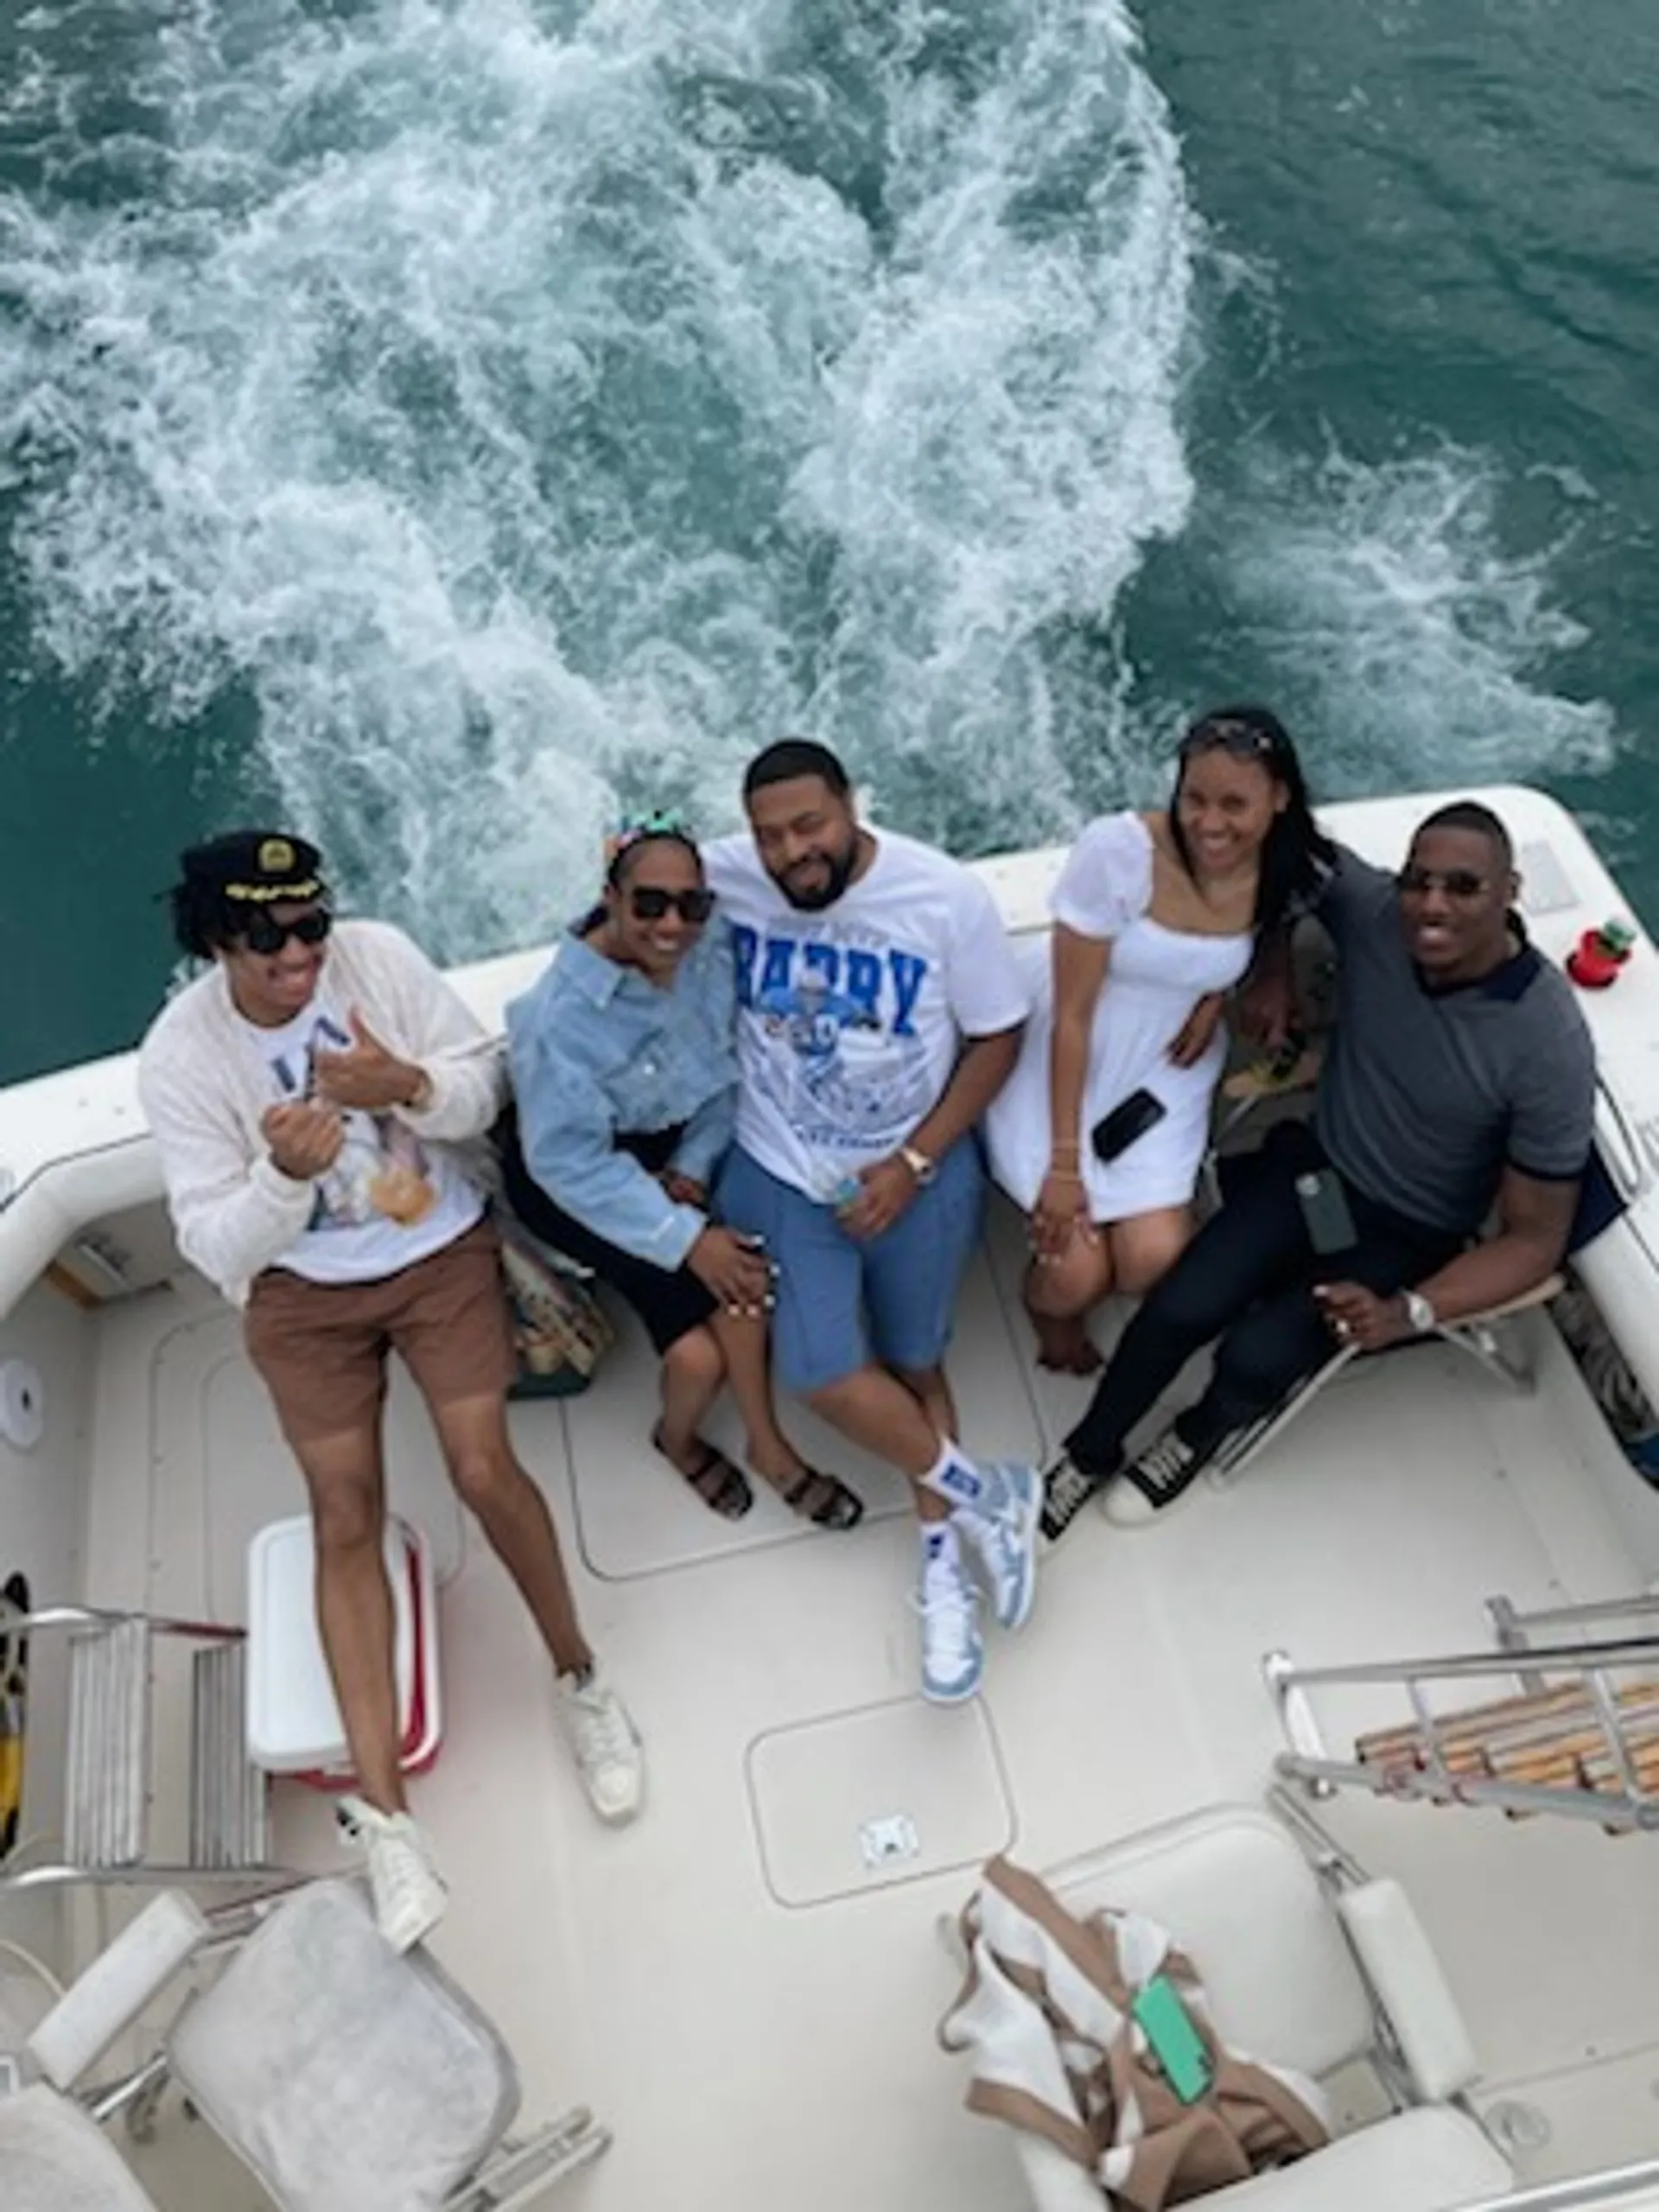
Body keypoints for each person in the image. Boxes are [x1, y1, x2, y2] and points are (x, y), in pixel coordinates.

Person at [137, 832, 644, 1954]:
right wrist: (285, 1179)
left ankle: (581, 1677)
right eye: (272, 937)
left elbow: (480, 1084)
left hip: (439, 1257)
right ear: (219, 941)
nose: (303, 954)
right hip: (299, 1295)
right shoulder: (179, 1057)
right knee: (342, 1513)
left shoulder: (377, 960)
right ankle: (388, 1819)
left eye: (313, 925)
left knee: (481, 1469)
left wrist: (403, 1085)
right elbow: (212, 1240)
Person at [1041, 798, 1598, 1536]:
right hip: (1321, 1176)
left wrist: (1411, 1312)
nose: (1431, 905)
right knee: (1177, 1307)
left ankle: (1199, 1433)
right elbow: (1276, 841)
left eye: (1463, 887)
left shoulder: (1547, 1040)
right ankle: (1088, 1452)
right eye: (1417, 881)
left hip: (1407, 1234)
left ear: (1509, 891)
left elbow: (1534, 1240)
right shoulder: (1374, 913)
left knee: (1255, 1354)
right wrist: (1269, 967)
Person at [702, 739, 1039, 1706]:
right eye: (769, 836)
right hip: (779, 1164)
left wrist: (915, 1160)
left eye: (810, 825)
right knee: (820, 1371)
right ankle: (988, 1495)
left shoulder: (944, 896)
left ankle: (942, 1564)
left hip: (912, 1167)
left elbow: (999, 1032)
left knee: (917, 1362)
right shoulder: (727, 874)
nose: (790, 852)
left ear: (853, 807)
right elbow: (633, 875)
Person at [505, 813, 862, 1528]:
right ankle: (679, 1439)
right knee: (699, 1357)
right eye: (650, 904)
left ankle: (765, 1445)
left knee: (746, 1279)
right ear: (610, 897)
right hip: (582, 1180)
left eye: (691, 904)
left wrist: (695, 1169)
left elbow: (724, 1070)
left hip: (683, 1143)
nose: (674, 924)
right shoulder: (556, 1020)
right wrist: (684, 1235)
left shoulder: (711, 945)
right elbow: (566, 1163)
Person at [985, 707, 1333, 1373]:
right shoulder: (1118, 854)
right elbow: (1073, 1018)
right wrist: (1064, 1165)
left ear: (1280, 799)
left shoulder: (1290, 870)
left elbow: (1260, 937)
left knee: (1150, 1262)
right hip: (1072, 1050)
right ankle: (1046, 1315)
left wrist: (1213, 996)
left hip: (1167, 1064)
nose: (1209, 823)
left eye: (1235, 804)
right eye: (1194, 799)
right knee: (1075, 1276)